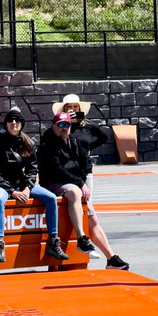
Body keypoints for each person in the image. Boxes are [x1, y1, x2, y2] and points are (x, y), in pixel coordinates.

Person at [38, 110, 130, 270]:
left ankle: (111, 258)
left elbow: (85, 160)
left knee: (92, 219)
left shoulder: (73, 140)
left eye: (67, 124)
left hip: (76, 182)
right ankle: (81, 237)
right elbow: (56, 170)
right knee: (74, 192)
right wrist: (80, 183)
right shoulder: (47, 145)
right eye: (60, 125)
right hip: (55, 183)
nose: (64, 128)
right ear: (53, 126)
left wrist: (84, 177)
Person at [0, 108, 68, 264]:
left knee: (51, 198)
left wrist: (27, 188)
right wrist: (12, 192)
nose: (14, 123)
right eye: (10, 120)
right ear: (6, 124)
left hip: (22, 185)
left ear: (22, 124)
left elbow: (32, 169)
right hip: (0, 186)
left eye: (17, 120)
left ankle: (53, 242)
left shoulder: (28, 143)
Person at [51, 92, 121, 266]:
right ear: (64, 109)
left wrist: (88, 146)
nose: (73, 110)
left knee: (87, 206)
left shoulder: (87, 127)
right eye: (69, 107)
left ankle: (88, 243)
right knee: (86, 209)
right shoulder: (63, 127)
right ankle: (87, 243)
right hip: (68, 173)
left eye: (75, 107)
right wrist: (68, 123)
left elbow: (104, 136)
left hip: (85, 171)